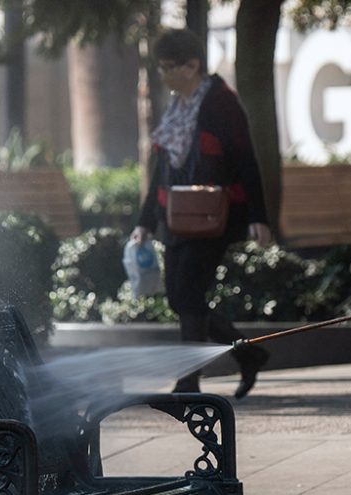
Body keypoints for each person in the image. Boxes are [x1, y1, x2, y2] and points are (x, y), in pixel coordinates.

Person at [133, 28, 271, 398]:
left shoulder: (221, 103)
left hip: (214, 218)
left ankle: (189, 380)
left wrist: (259, 215)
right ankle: (249, 353)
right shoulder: (178, 105)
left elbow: (246, 160)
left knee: (189, 291)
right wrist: (145, 223)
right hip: (175, 217)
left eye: (167, 67)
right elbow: (163, 170)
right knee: (179, 297)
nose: (162, 75)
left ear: (191, 65)